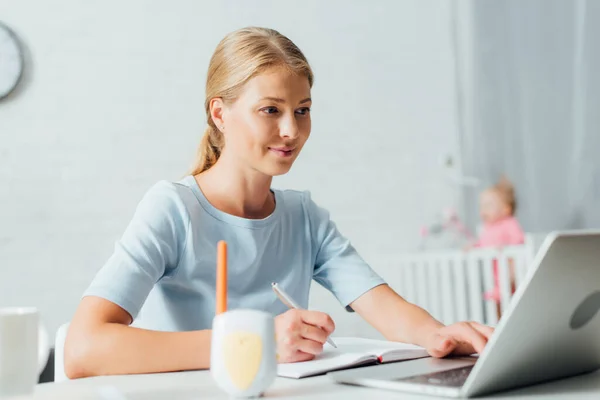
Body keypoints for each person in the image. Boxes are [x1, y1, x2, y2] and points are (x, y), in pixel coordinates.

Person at [64, 27, 493, 379]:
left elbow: (381, 303)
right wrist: (255, 340)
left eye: (302, 110)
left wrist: (439, 334)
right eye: (271, 110)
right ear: (219, 114)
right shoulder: (172, 209)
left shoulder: (303, 216)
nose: (291, 130)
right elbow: (83, 349)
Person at [467, 176, 525, 315]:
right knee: (498, 303)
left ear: (506, 209)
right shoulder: (486, 228)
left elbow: (518, 239)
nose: (483, 210)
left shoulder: (509, 223)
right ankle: (499, 325)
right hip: (495, 275)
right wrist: (473, 246)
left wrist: (505, 246)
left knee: (512, 300)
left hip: (510, 270)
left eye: (489, 205)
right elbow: (483, 243)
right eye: (482, 206)